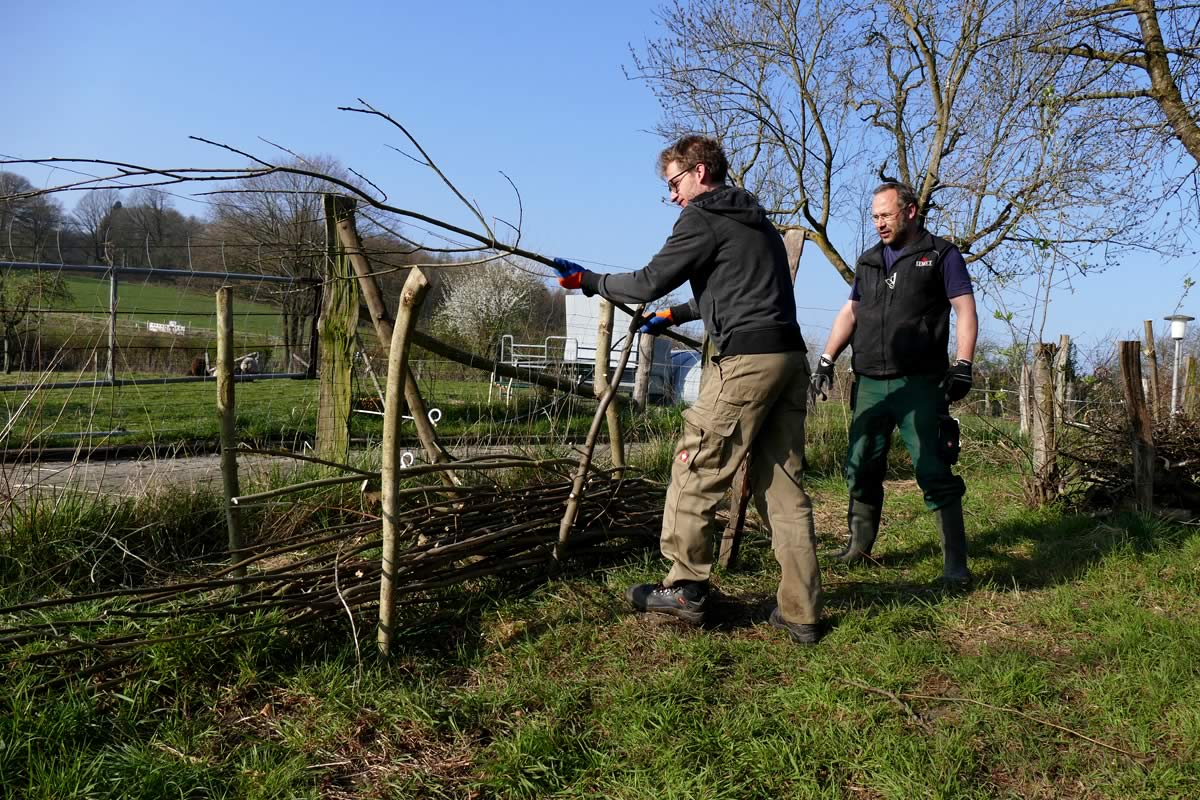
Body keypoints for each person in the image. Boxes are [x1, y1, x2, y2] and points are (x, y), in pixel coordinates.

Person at [553, 135, 823, 643]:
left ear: (700, 172)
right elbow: (733, 290)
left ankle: (685, 588)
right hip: (788, 358)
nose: (672, 196)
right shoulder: (756, 221)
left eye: (674, 183)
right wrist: (674, 315)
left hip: (744, 361)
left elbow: (647, 280)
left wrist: (588, 280)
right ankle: (801, 611)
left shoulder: (702, 216)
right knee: (784, 489)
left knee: (695, 468)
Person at [810, 181, 977, 587]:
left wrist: (963, 363)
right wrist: (827, 360)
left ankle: (955, 565)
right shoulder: (869, 262)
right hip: (868, 380)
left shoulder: (942, 255)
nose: (879, 223)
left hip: (920, 381)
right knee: (860, 465)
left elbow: (965, 309)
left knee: (932, 467)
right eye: (875, 216)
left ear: (910, 211)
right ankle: (858, 547)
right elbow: (850, 313)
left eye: (886, 215)